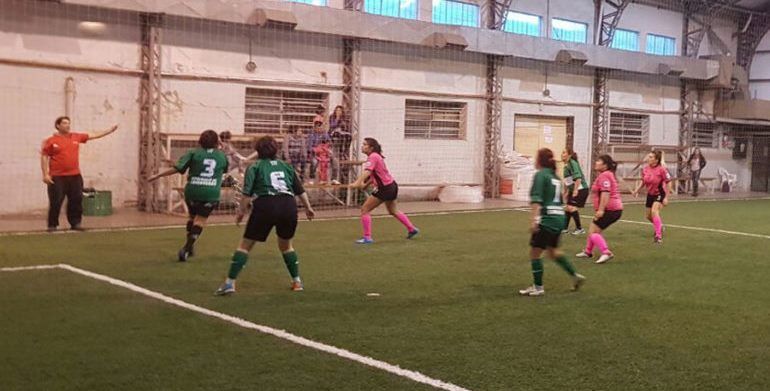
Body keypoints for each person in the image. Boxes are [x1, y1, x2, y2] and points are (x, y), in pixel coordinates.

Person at [215, 136, 315, 295]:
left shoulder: (255, 167)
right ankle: (297, 281)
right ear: (276, 150)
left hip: (266, 204)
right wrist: (308, 208)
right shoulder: (286, 166)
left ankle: (229, 283)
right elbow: (300, 189)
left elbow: (247, 193)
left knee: (245, 245)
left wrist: (241, 212)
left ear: (258, 151)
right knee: (286, 245)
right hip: (288, 205)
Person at [148, 130, 228, 262]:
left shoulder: (193, 153)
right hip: (210, 193)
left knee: (192, 217)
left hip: (192, 192)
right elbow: (224, 170)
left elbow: (178, 168)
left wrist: (158, 175)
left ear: (200, 141)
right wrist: (220, 148)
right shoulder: (221, 156)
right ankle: (186, 247)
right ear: (216, 142)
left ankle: (190, 248)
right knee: (200, 221)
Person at [518, 148, 586, 297]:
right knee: (553, 252)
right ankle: (575, 275)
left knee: (535, 253)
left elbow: (536, 200)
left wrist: (534, 220)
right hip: (559, 218)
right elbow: (561, 198)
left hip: (547, 219)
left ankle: (538, 287)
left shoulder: (540, 175)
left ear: (539, 160)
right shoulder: (555, 177)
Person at [40, 116, 118, 232]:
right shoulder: (51, 140)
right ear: (58, 126)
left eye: (68, 123)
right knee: (56, 201)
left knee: (76, 200)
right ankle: (52, 225)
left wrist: (109, 130)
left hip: (75, 176)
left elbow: (93, 135)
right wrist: (45, 174)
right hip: (57, 177)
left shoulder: (76, 137)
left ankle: (75, 223)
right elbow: (44, 156)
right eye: (65, 123)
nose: (68, 125)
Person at [350, 137, 419, 244]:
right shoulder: (376, 156)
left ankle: (367, 238)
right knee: (393, 211)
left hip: (384, 188)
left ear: (371, 148)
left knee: (365, 209)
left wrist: (358, 182)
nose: (362, 146)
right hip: (392, 186)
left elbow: (368, 172)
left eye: (365, 144)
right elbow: (375, 174)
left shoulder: (373, 157)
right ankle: (412, 229)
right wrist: (365, 185)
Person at [575, 154, 623, 264]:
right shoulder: (606, 174)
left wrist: (601, 210)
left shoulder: (605, 176)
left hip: (610, 210)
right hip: (613, 209)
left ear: (605, 165)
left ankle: (606, 252)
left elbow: (605, 193)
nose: (596, 162)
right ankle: (588, 251)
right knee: (594, 230)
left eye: (599, 161)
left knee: (593, 233)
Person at [632, 151, 673, 244]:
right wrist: (636, 190)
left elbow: (669, 182)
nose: (648, 159)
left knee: (654, 211)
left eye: (651, 157)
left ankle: (658, 236)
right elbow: (643, 182)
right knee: (648, 216)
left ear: (656, 160)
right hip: (650, 194)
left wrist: (666, 197)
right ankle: (660, 226)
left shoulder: (661, 170)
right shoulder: (645, 169)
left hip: (659, 193)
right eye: (648, 157)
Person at [561, 148, 588, 235]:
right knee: (568, 208)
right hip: (573, 190)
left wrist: (575, 190)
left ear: (569, 155)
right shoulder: (566, 165)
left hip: (581, 189)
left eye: (564, 152)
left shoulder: (573, 163)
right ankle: (564, 228)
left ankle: (580, 229)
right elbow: (567, 181)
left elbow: (578, 178)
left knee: (571, 208)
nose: (562, 154)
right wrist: (565, 192)